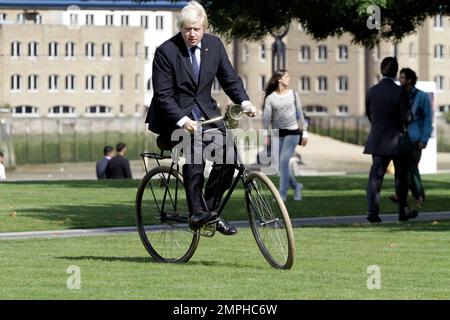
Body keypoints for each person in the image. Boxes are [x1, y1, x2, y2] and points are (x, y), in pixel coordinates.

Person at [145, 1, 256, 235]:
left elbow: (229, 78)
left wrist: (244, 102)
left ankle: (209, 212)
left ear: (204, 27)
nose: (192, 34)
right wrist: (183, 121)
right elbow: (163, 96)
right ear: (180, 28)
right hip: (173, 117)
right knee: (195, 150)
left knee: (229, 159)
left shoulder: (214, 46)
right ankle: (196, 211)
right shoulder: (166, 51)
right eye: (187, 29)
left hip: (206, 113)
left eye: (196, 28)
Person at [364, 57, 418, 223]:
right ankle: (403, 210)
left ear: (381, 70)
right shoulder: (399, 91)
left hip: (378, 139)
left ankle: (373, 212)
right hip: (396, 140)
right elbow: (407, 117)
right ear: (396, 71)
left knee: (375, 177)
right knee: (401, 177)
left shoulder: (372, 91)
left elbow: (369, 114)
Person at [262, 70, 308, 201]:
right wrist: (265, 134)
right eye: (286, 76)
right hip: (277, 133)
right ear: (279, 79)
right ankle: (296, 186)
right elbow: (266, 118)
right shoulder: (270, 98)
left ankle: (282, 194)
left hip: (292, 132)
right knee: (281, 165)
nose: (289, 78)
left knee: (284, 161)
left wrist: (304, 132)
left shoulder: (293, 94)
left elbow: (300, 114)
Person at [390, 68, 433, 206]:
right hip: (400, 137)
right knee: (399, 168)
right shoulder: (398, 95)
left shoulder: (421, 96)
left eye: (402, 77)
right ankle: (401, 194)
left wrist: (424, 139)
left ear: (409, 80)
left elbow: (427, 119)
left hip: (415, 139)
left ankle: (418, 195)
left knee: (412, 168)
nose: (400, 80)